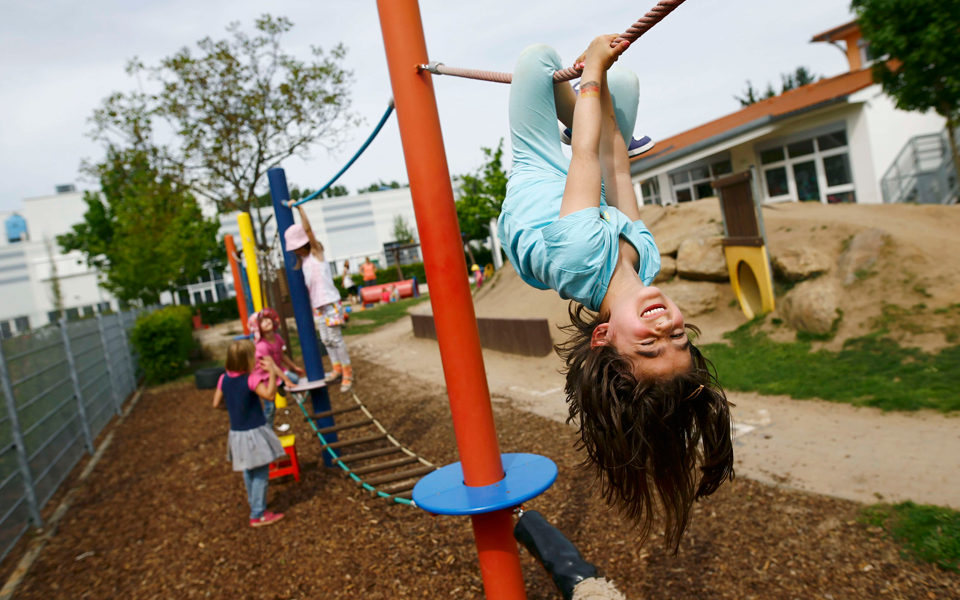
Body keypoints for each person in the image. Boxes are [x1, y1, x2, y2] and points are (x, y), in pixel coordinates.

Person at [496, 38, 734, 551]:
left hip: (538, 176)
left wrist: (593, 75)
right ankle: (583, 103)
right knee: (623, 88)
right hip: (590, 193)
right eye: (679, 341)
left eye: (649, 345)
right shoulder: (646, 261)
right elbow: (618, 168)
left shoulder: (582, 258)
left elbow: (586, 152)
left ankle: (572, 104)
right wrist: (601, 98)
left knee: (536, 59)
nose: (665, 329)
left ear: (602, 336)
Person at [212, 340, 287, 528]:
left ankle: (255, 505)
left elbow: (216, 404)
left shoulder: (224, 379)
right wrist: (271, 372)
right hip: (255, 433)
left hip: (237, 433)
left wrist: (233, 410)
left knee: (249, 470)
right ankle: (258, 515)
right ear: (245, 360)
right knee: (261, 472)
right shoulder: (251, 379)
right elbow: (270, 395)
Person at [285, 206, 354, 392]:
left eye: (297, 247)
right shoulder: (305, 262)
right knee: (325, 339)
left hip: (331, 303)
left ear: (305, 244)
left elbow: (308, 231)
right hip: (319, 307)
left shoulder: (317, 253)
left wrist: (300, 208)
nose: (296, 251)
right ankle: (336, 368)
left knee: (335, 338)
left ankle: (347, 372)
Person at [248, 308, 306, 427]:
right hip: (266, 377)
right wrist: (285, 379)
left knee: (295, 379)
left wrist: (294, 367)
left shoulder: (277, 338)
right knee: (270, 406)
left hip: (278, 370)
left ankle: (281, 386)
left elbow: (283, 356)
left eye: (267, 318)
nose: (267, 321)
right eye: (262, 321)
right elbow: (272, 366)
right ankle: (267, 428)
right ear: (258, 328)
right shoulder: (261, 346)